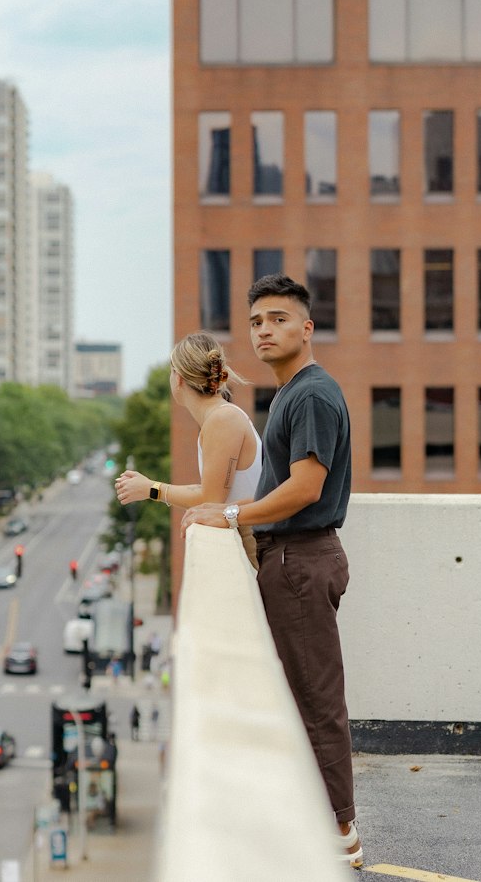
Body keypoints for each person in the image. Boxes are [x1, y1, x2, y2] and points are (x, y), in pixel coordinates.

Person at [180, 274, 362, 869]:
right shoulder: (288, 392)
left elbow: (305, 488)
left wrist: (230, 512)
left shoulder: (309, 394)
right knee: (301, 694)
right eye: (256, 321)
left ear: (306, 328)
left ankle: (341, 835)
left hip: (300, 561)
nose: (264, 330)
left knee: (315, 700)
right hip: (295, 560)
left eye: (279, 319)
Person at [115, 331, 262, 567]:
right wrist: (148, 486)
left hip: (255, 547)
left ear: (179, 378)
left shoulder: (222, 420)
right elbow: (211, 490)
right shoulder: (221, 417)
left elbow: (211, 500)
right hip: (253, 540)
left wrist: (152, 489)